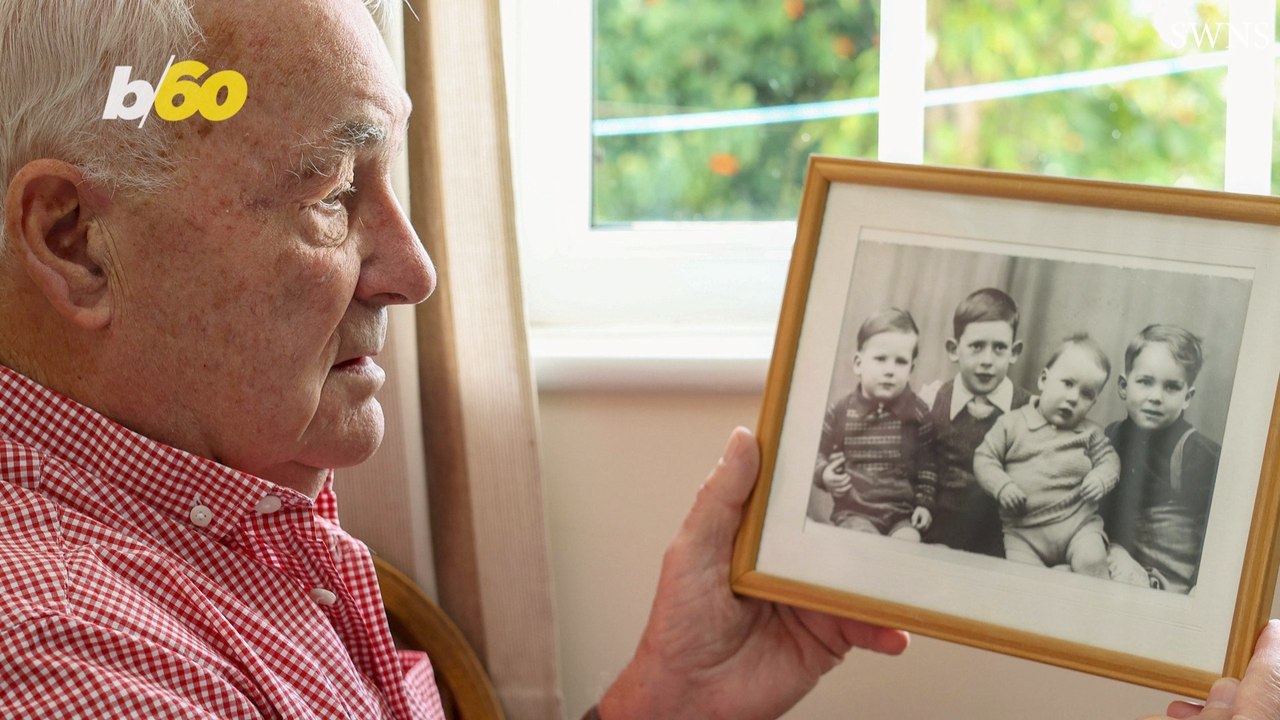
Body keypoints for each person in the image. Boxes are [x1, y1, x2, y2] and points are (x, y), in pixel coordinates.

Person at [0, 3, 1277, 719]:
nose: (415, 268)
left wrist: (671, 693)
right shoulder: (69, 655)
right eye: (333, 192)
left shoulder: (223, 521)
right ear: (74, 241)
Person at [974, 334, 1119, 578]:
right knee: (1025, 582)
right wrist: (1002, 486)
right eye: (1067, 383)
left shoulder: (1090, 433)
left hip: (1078, 527)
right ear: (1043, 380)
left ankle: (1080, 584)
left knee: (1093, 561)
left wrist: (1101, 478)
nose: (1073, 398)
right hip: (1024, 534)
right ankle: (1060, 576)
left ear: (1094, 402)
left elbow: (1110, 460)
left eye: (1086, 394)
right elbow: (984, 458)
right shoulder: (1011, 423)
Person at [1103, 325, 1220, 594]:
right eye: (1145, 382)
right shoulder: (1112, 435)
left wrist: (1200, 589)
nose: (1156, 397)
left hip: (1175, 578)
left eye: (1171, 387)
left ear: (1187, 397)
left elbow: (1217, 536)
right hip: (1122, 565)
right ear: (1123, 386)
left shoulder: (1198, 453)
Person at [920, 287, 1032, 557]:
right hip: (935, 536)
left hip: (999, 545)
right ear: (954, 350)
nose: (987, 361)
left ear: (1014, 352)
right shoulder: (932, 399)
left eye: (999, 348)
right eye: (976, 346)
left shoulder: (1029, 409)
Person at [812, 308, 937, 541]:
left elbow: (928, 465)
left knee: (909, 542)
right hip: (854, 512)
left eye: (900, 362)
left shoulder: (918, 413)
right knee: (863, 542)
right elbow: (816, 453)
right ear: (858, 364)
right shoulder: (841, 412)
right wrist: (825, 474)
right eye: (880, 359)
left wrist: (924, 504)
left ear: (911, 370)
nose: (890, 370)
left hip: (901, 515)